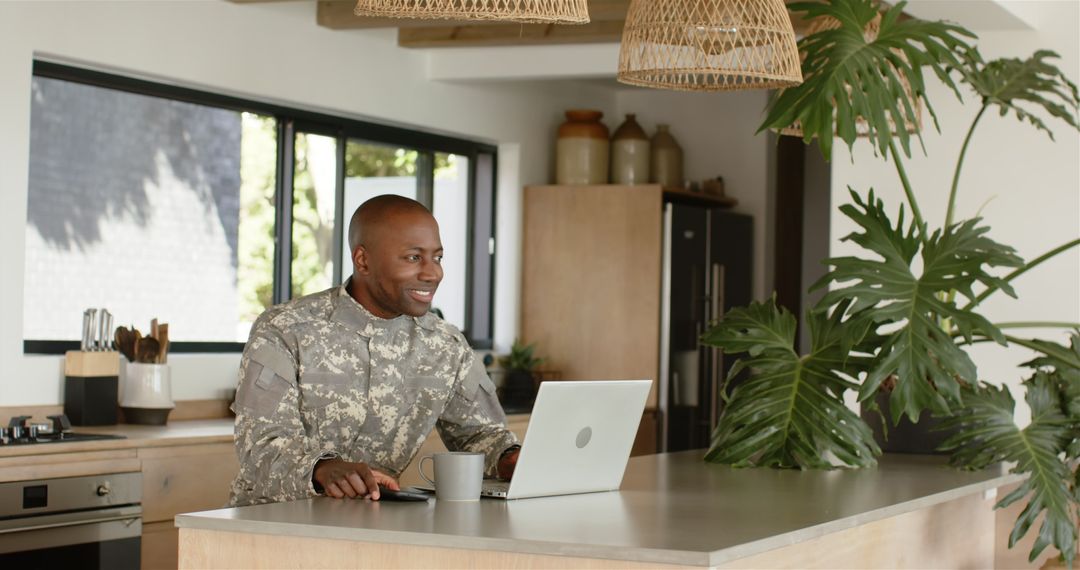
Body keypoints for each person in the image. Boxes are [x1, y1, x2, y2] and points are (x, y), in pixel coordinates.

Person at [229, 195, 520, 506]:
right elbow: (260, 447)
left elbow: (480, 435)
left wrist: (510, 459)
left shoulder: (445, 346)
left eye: (437, 258)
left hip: (374, 527)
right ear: (363, 260)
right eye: (413, 258)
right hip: (270, 526)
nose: (433, 273)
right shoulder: (285, 329)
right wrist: (324, 469)